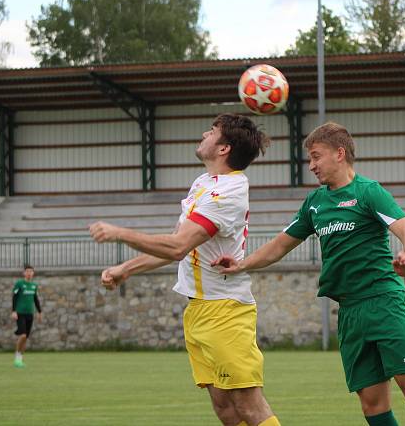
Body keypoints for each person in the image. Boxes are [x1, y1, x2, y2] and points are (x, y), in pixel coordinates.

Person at [213, 122, 405, 426]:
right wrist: (242, 264)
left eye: (315, 157)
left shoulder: (368, 192)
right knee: (371, 404)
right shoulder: (315, 203)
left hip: (383, 301)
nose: (311, 166)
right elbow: (279, 245)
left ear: (339, 154)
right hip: (349, 311)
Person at [91, 114, 281, 426]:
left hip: (225, 312)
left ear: (224, 148)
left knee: (249, 406)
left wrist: (119, 233)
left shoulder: (227, 193)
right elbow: (179, 247)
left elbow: (176, 246)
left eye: (213, 131)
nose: (205, 133)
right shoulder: (204, 183)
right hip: (198, 311)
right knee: (226, 409)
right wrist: (127, 269)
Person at [12, 265, 42, 368]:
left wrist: (39, 312)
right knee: (23, 335)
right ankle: (16, 355)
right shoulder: (19, 284)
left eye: (31, 271)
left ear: (33, 273)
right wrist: (14, 311)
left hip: (30, 314)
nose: (29, 273)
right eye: (27, 271)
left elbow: (35, 299)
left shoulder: (34, 285)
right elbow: (15, 297)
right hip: (20, 313)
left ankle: (19, 360)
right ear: (24, 273)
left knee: (25, 338)